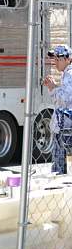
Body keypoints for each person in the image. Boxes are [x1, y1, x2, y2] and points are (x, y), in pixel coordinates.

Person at [43, 45, 72, 174]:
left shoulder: (69, 75)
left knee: (60, 166)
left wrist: (53, 87)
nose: (55, 62)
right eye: (54, 59)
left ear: (68, 59)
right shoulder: (66, 74)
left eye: (58, 59)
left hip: (65, 127)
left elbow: (66, 99)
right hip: (64, 126)